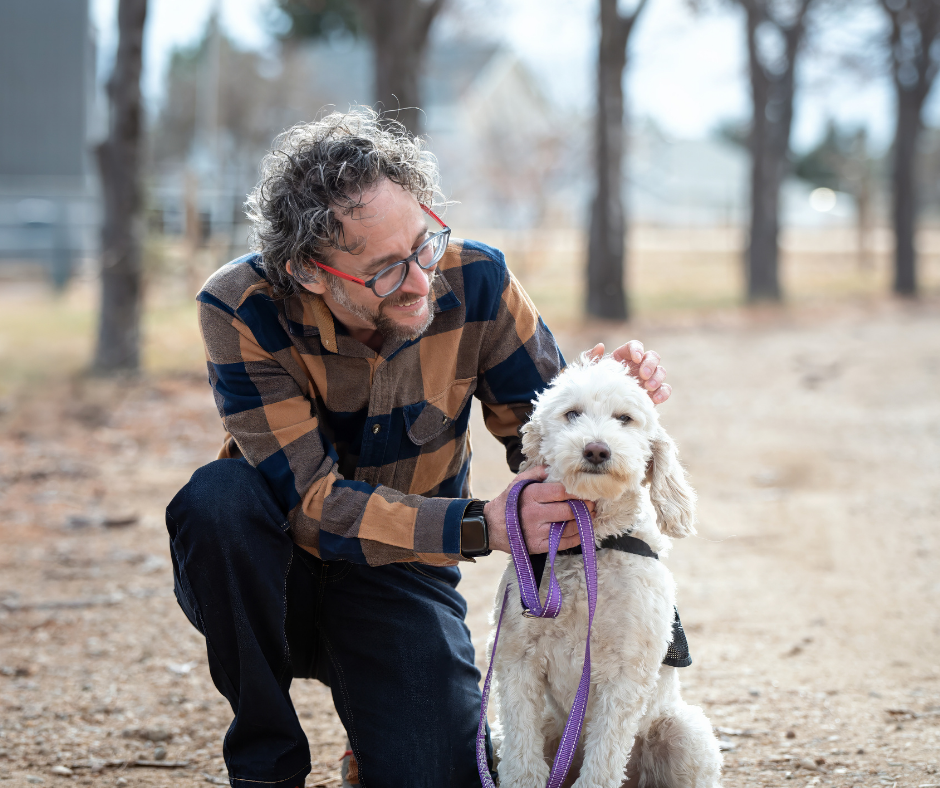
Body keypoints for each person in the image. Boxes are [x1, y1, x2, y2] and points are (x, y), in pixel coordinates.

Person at [165, 108, 670, 788]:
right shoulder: (240, 305)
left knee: (439, 775)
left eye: (424, 244)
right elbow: (311, 502)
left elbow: (559, 440)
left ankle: (375, 733)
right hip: (274, 576)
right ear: (309, 272)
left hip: (402, 573)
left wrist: (612, 400)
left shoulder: (478, 280)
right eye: (383, 271)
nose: (418, 280)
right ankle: (266, 765)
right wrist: (476, 526)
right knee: (217, 502)